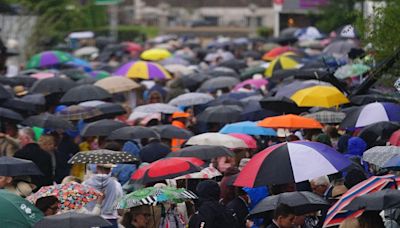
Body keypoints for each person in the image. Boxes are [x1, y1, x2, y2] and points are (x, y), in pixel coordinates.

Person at [83, 164, 123, 228]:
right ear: (110, 170)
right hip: (110, 220)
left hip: (91, 219)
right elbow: (120, 204)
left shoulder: (85, 184)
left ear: (97, 168)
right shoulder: (116, 184)